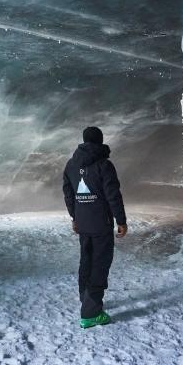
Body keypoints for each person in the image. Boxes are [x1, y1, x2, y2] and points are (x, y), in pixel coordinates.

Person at [62, 126, 127, 328]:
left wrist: (75, 217)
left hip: (83, 223)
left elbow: (69, 194)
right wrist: (121, 220)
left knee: (86, 261)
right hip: (101, 224)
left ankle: (86, 298)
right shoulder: (104, 165)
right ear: (100, 141)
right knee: (100, 264)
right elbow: (112, 195)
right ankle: (90, 313)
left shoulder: (71, 165)